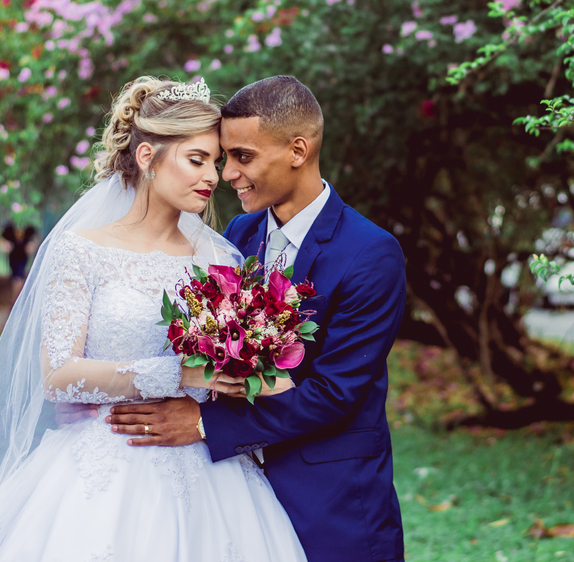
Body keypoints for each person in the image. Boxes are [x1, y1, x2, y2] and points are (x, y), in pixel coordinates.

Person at [0, 77, 307, 562]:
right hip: (104, 465)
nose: (212, 176)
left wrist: (255, 369)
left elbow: (247, 372)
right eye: (196, 159)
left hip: (211, 472)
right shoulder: (80, 250)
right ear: (147, 157)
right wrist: (174, 373)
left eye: (217, 161)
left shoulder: (221, 259)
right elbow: (58, 377)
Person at [105, 75, 409, 562]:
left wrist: (203, 423)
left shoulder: (370, 254)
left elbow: (336, 394)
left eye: (243, 157)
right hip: (233, 498)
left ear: (297, 150)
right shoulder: (235, 237)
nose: (227, 175)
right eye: (224, 158)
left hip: (331, 502)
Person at [0, 222, 38, 298]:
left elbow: (34, 239)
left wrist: (32, 245)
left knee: (18, 280)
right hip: (13, 258)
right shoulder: (9, 229)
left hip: (22, 258)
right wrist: (6, 245)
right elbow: (1, 241)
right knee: (16, 280)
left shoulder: (28, 229)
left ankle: (16, 301)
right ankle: (16, 301)